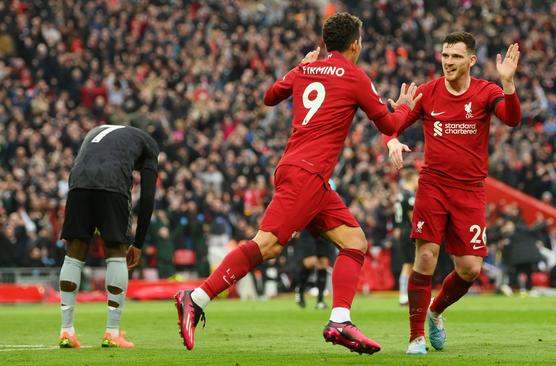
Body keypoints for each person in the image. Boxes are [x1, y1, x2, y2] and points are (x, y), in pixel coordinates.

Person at [174, 12, 422, 354]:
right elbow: (389, 122)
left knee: (354, 242)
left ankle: (339, 319)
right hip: (307, 173)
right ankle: (196, 297)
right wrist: (407, 108)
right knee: (267, 245)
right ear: (355, 45)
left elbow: (270, 96)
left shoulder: (305, 69)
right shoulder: (355, 76)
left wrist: (297, 68)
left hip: (303, 171)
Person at [384, 31, 521, 354]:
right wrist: (391, 136)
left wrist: (509, 84)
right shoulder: (429, 92)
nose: (448, 62)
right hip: (433, 186)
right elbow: (394, 122)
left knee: (470, 269)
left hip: (470, 191)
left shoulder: (487, 92)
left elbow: (512, 119)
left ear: (471, 60)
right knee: (426, 256)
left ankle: (434, 311)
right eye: (445, 56)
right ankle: (415, 336)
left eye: (456, 57)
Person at [58, 124, 159, 348]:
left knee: (74, 253)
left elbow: (79, 164)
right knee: (115, 252)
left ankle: (66, 330)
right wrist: (138, 243)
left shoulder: (96, 130)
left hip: (77, 183)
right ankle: (112, 332)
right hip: (112, 183)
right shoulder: (150, 145)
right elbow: (148, 197)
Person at [394, 169, 418, 305]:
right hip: (409, 230)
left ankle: (406, 294)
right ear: (412, 179)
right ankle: (404, 295)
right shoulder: (409, 196)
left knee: (409, 263)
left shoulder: (399, 195)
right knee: (409, 263)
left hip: (401, 230)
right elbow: (412, 216)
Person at [293, 232, 333, 310]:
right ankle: (300, 290)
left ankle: (320, 300)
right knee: (310, 262)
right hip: (308, 231)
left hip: (322, 231)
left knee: (323, 263)